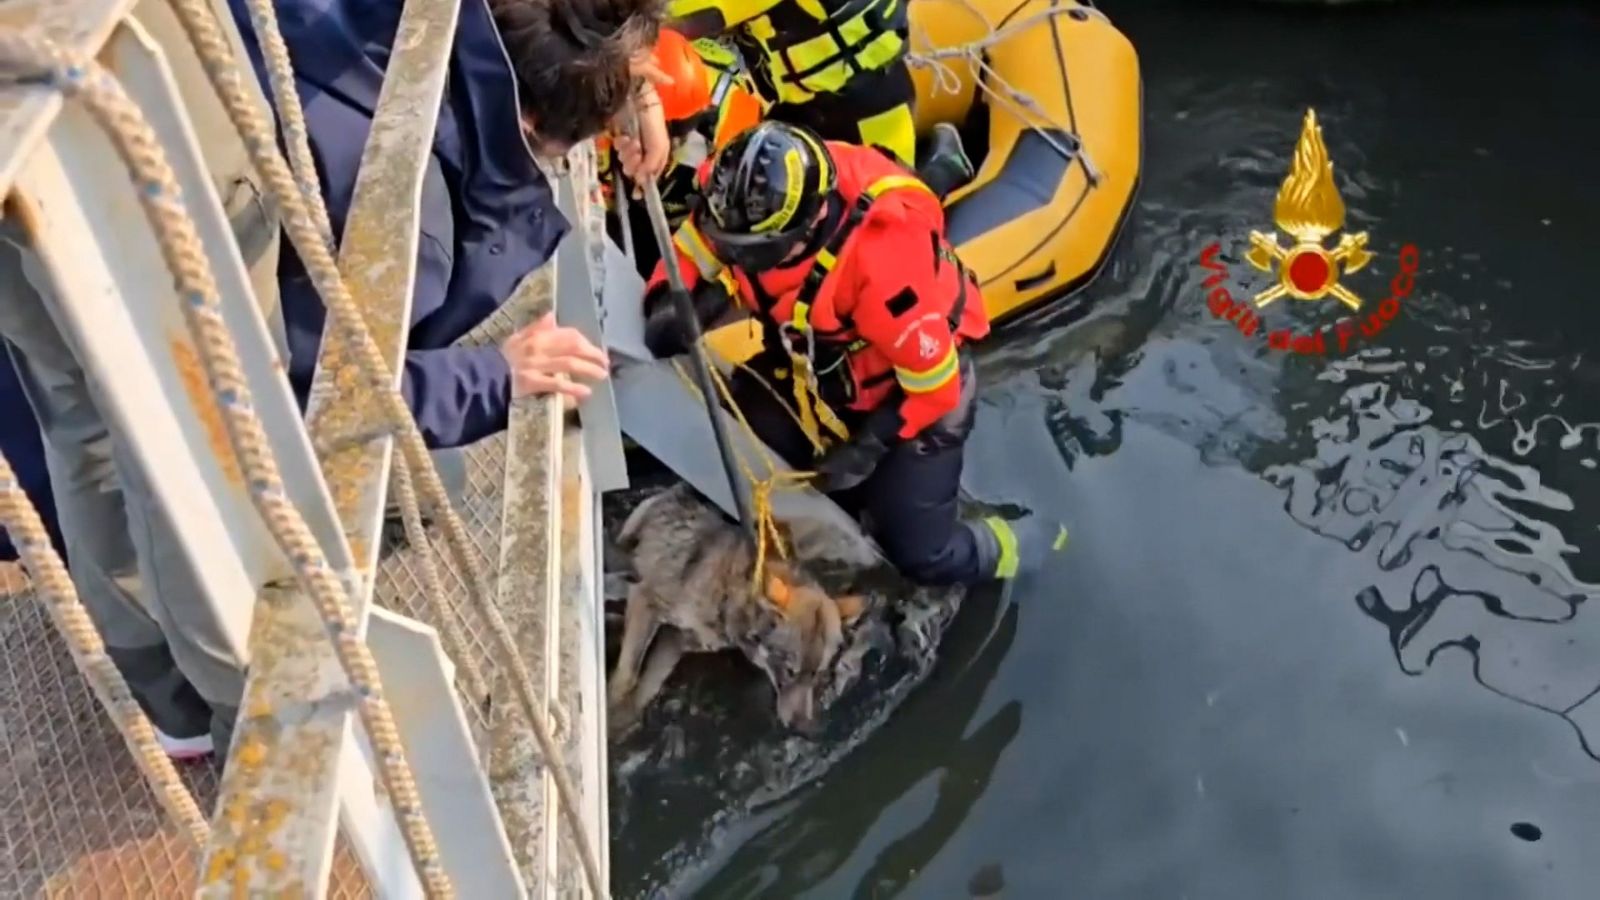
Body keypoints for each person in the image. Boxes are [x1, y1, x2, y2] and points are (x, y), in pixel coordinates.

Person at [641, 121, 1063, 586]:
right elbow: (697, 242)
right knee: (744, 426)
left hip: (907, 402)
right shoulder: (737, 190)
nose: (733, 258)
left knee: (922, 556)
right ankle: (943, 169)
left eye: (748, 252)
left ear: (804, 231)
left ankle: (1030, 540)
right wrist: (667, 294)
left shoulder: (884, 270)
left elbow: (936, 388)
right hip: (816, 373)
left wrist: (868, 446)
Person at [600, 29, 767, 274]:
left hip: (691, 213)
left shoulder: (737, 121)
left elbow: (733, 212)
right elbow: (596, 188)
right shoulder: (608, 114)